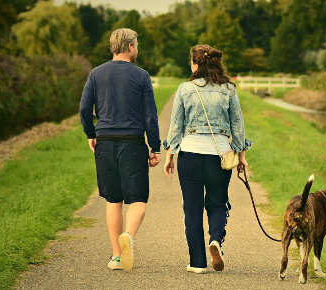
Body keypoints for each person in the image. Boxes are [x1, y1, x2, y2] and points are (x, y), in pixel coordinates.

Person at [162, 44, 252, 273]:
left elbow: (176, 126)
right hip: (220, 155)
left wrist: (170, 155)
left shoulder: (184, 89)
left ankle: (197, 263)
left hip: (190, 154)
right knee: (218, 202)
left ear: (195, 63)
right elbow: (238, 126)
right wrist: (240, 154)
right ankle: (216, 240)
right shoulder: (229, 90)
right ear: (215, 63)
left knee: (192, 209)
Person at [79, 28, 161, 271]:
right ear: (129, 47)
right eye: (136, 45)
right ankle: (129, 236)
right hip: (132, 142)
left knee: (113, 200)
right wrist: (154, 147)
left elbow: (84, 109)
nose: (137, 48)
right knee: (137, 200)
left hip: (104, 141)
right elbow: (150, 116)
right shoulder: (141, 76)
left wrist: (91, 134)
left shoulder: (95, 74)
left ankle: (116, 256)